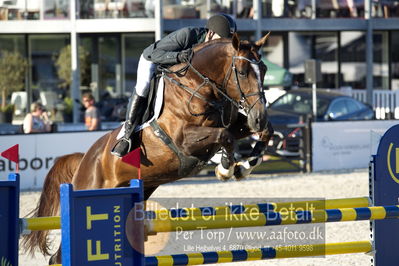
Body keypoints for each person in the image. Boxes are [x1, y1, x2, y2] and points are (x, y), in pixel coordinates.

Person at [111, 13, 237, 157]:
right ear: (211, 33)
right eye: (221, 40)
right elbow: (154, 54)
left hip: (176, 69)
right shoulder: (187, 35)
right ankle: (127, 135)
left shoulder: (211, 53)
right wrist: (178, 56)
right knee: (143, 86)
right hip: (153, 60)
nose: (222, 45)